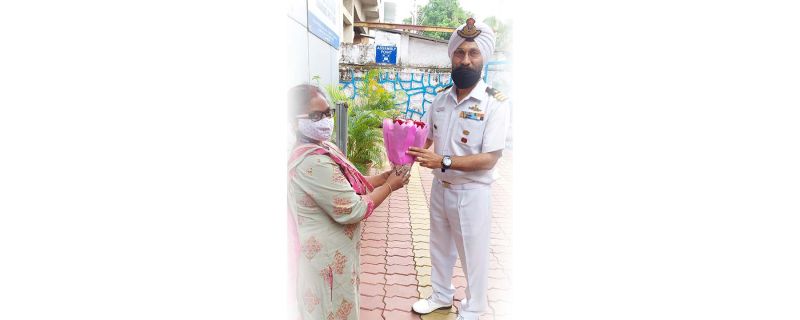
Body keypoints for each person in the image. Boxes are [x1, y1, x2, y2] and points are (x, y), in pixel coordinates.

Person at [406, 18, 510, 320]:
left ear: (483, 58)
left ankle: (475, 307)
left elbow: (490, 157)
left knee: (472, 254)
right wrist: (403, 153)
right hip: (441, 188)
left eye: (473, 53)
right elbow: (425, 139)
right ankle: (440, 295)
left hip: (472, 191)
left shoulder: (495, 104)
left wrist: (444, 161)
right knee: (439, 247)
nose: (465, 59)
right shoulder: (440, 100)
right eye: (459, 52)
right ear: (452, 56)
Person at [286, 84, 410, 320]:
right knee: (329, 311)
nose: (325, 120)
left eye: (327, 112)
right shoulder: (311, 162)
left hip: (337, 258)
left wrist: (385, 177)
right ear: (294, 121)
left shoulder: (323, 147)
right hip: (325, 262)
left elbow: (353, 184)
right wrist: (390, 186)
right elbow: (353, 209)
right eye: (314, 116)